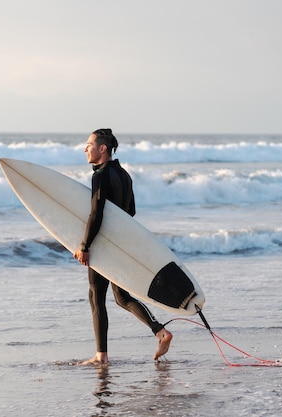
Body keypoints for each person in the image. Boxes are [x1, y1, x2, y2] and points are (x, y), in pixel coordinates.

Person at [73, 128, 173, 365]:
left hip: (103, 244)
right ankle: (160, 332)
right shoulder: (124, 174)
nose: (85, 148)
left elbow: (96, 213)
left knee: (96, 296)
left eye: (89, 144)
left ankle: (101, 356)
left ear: (102, 148)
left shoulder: (100, 176)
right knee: (121, 297)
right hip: (120, 244)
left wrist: (85, 245)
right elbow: (131, 212)